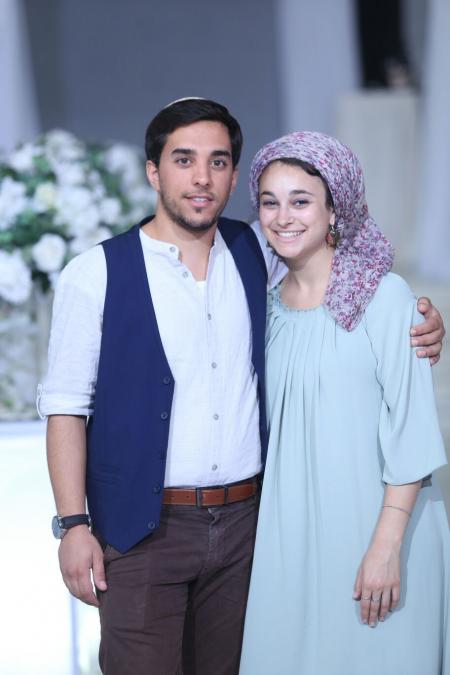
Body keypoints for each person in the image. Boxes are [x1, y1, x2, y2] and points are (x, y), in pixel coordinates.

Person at [39, 99, 445, 675]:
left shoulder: (256, 254)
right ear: (153, 171)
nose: (202, 178)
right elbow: (65, 408)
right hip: (142, 532)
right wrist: (73, 524)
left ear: (233, 176)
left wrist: (421, 324)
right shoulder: (94, 273)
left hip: (246, 532)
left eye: (218, 162)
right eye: (184, 160)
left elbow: (341, 278)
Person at [239, 131, 450, 675]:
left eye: (301, 201)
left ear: (336, 209)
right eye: (270, 202)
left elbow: (411, 430)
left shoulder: (385, 299)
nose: (283, 217)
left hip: (382, 533)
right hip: (292, 539)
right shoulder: (263, 309)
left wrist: (386, 547)